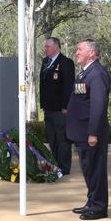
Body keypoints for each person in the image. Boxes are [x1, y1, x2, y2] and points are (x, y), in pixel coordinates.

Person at [66, 38, 111, 220]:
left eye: (79, 50)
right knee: (88, 169)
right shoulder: (85, 73)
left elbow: (98, 106)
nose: (76, 53)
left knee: (96, 169)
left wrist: (93, 132)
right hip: (82, 132)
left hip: (91, 133)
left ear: (91, 53)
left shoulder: (97, 73)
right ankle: (92, 202)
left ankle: (99, 207)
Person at [39, 37, 75, 174]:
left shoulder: (66, 62)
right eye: (45, 46)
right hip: (48, 108)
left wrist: (66, 106)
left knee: (62, 139)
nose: (45, 49)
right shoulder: (45, 62)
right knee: (52, 138)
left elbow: (68, 87)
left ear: (56, 47)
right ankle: (54, 164)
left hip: (61, 109)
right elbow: (43, 85)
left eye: (47, 46)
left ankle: (64, 168)